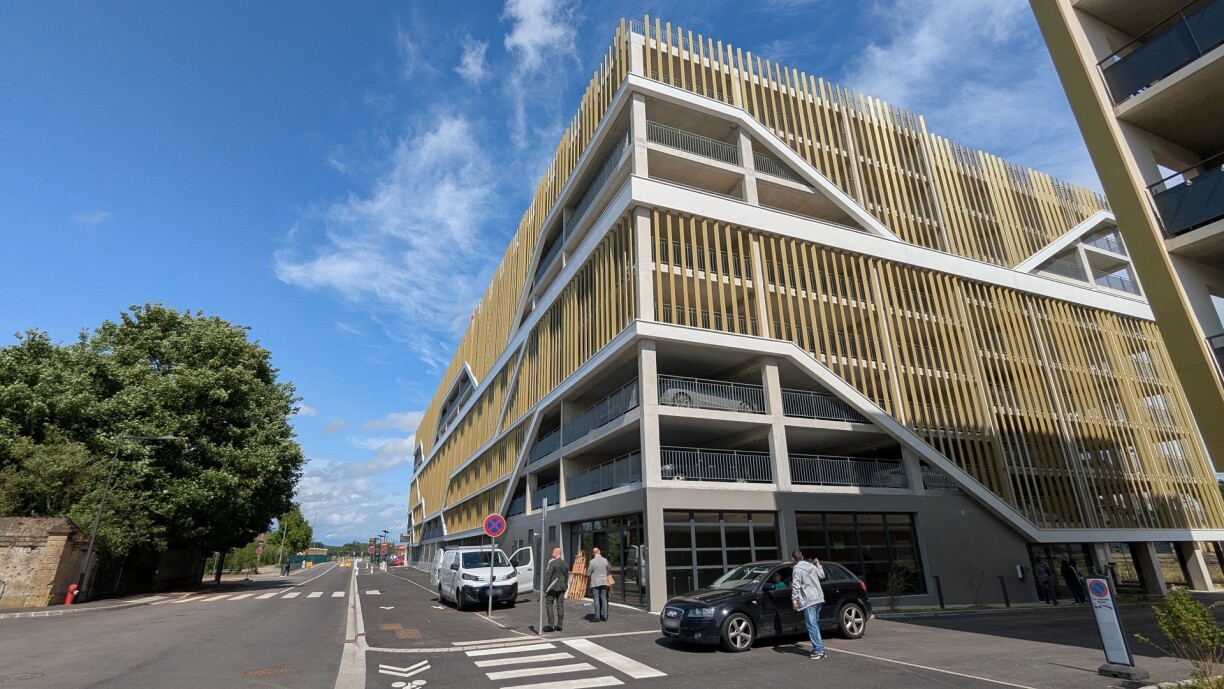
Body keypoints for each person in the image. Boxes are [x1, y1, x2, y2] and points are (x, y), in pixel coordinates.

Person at [790, 549, 826, 659]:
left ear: (793, 559)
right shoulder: (811, 566)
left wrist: (794, 600)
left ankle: (818, 650)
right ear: (802, 556)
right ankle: (819, 648)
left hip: (808, 600)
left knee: (812, 625)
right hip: (818, 598)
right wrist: (818, 564)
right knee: (815, 624)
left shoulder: (797, 569)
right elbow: (822, 575)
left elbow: (796, 586)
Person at [544, 547, 569, 632]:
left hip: (553, 587)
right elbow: (566, 576)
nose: (552, 554)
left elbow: (548, 577)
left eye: (553, 552)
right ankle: (560, 625)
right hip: (562, 586)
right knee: (560, 606)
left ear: (556, 553)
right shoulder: (565, 564)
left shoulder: (552, 563)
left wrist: (545, 589)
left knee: (549, 603)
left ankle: (551, 625)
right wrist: (566, 586)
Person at [587, 547, 611, 622]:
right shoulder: (605, 560)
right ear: (599, 552)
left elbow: (588, 573)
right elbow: (608, 570)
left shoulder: (592, 562)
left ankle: (597, 616)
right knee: (604, 599)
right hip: (604, 582)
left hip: (595, 582)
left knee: (596, 599)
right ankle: (605, 616)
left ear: (593, 553)